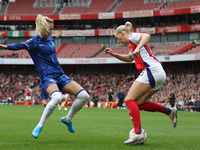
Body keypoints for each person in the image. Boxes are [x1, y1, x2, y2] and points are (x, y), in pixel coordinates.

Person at [0, 14, 89, 139]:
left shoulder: (50, 39)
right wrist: (5, 47)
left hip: (60, 75)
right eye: (49, 29)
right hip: (47, 76)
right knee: (57, 97)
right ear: (42, 27)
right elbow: (19, 45)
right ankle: (40, 125)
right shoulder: (34, 41)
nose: (51, 31)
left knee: (84, 96)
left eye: (52, 29)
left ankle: (68, 119)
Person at [104, 21, 177, 144]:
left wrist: (137, 48)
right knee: (139, 103)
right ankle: (169, 111)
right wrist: (114, 54)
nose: (118, 41)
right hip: (159, 73)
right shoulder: (132, 44)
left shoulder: (132, 37)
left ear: (122, 33)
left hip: (150, 70)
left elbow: (147, 36)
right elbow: (129, 58)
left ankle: (137, 133)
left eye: (118, 38)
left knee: (129, 100)